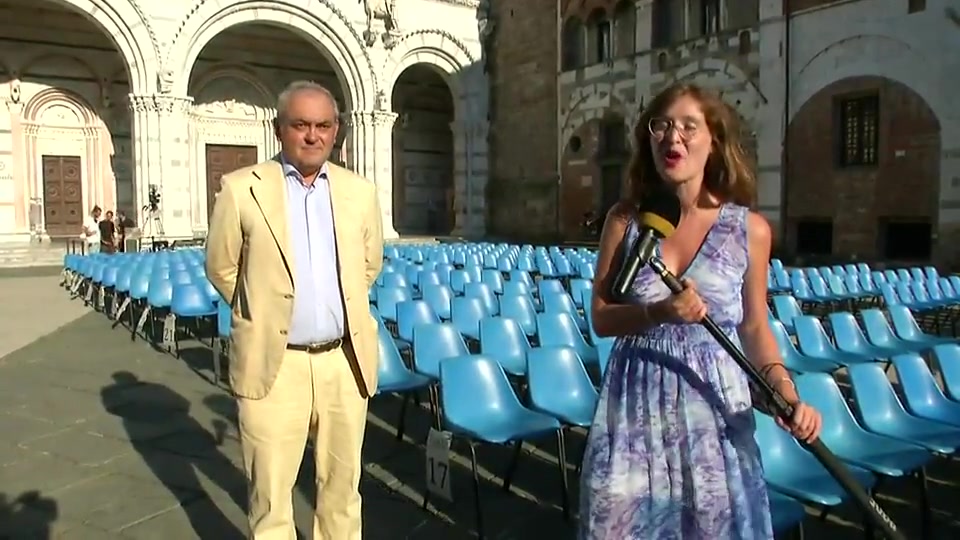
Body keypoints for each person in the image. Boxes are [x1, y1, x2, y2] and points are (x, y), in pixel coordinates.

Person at [579, 83, 822, 539]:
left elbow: (753, 325)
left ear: (714, 141)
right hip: (636, 405)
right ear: (648, 140)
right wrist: (659, 313)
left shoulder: (749, 230)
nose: (674, 137)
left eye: (689, 126)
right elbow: (602, 316)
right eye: (662, 126)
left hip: (712, 408)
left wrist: (783, 389)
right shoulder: (625, 219)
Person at [205, 80, 383, 540]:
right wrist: (266, 315)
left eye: (323, 125)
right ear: (279, 129)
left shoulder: (360, 192)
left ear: (336, 130)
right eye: (300, 124)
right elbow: (222, 268)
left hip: (344, 363)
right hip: (274, 363)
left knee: (342, 494)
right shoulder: (242, 188)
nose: (312, 135)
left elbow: (368, 266)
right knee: (270, 496)